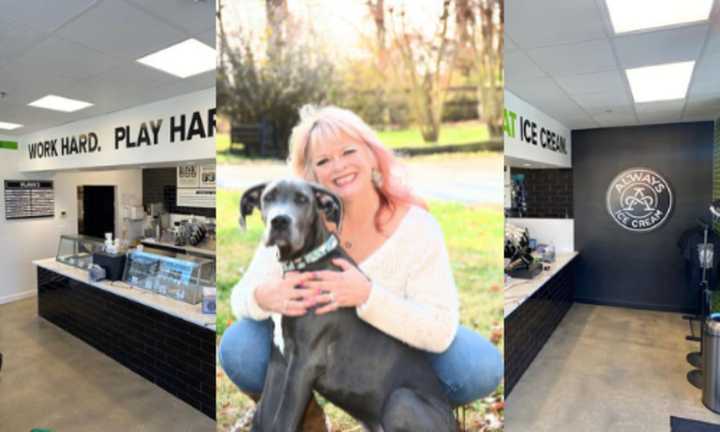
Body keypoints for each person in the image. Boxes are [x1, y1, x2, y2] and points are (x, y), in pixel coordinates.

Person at [219, 105, 503, 430]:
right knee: (241, 345)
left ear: (371, 155)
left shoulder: (416, 226)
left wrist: (367, 295)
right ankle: (307, 420)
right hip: (326, 356)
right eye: (323, 161)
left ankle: (408, 420)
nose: (338, 166)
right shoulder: (299, 220)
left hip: (398, 355)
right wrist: (262, 296)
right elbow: (241, 297)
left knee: (477, 365)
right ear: (312, 176)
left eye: (348, 151)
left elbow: (438, 329)